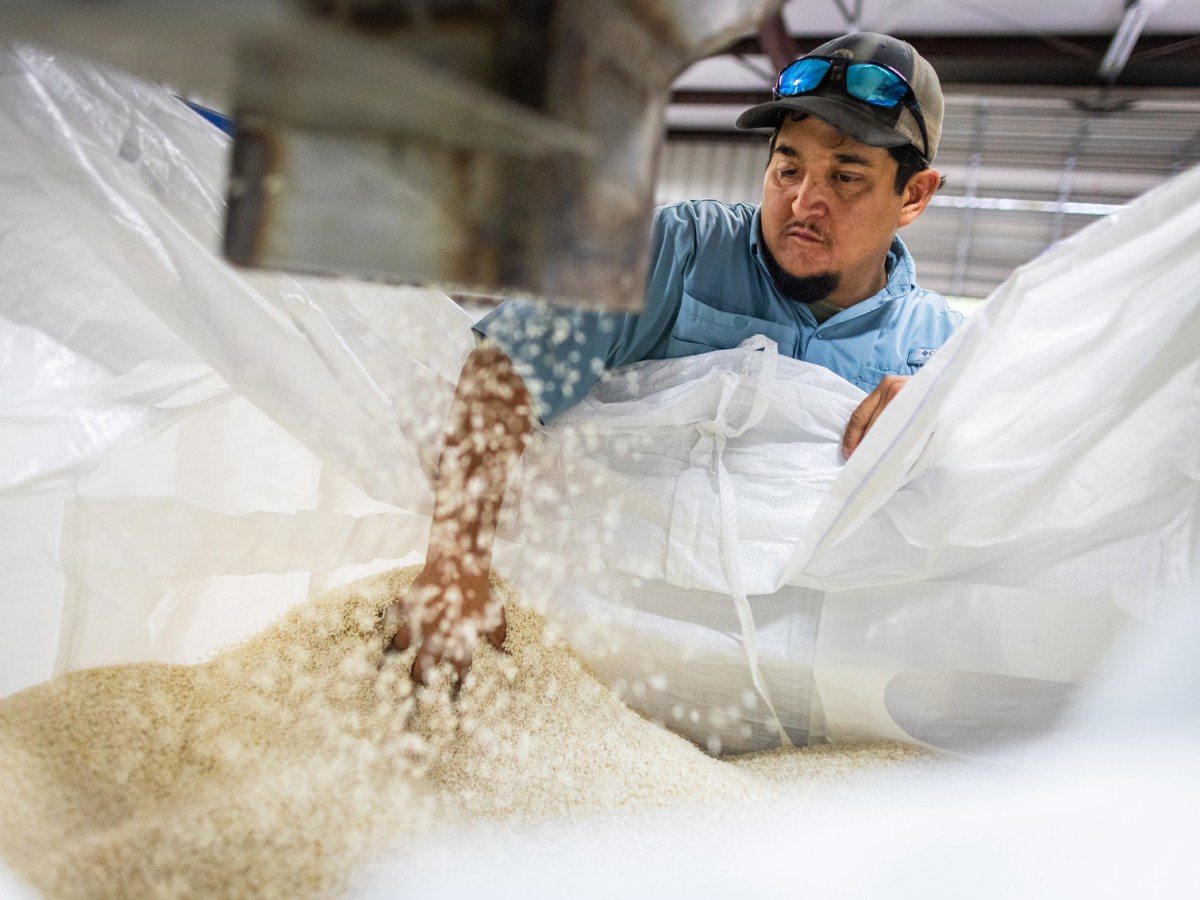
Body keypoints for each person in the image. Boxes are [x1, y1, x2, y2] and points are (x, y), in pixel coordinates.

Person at [391, 32, 962, 682]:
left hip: (803, 691)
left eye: (846, 176)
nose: (804, 201)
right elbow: (502, 374)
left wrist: (941, 422)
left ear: (913, 195)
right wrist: (455, 569)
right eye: (787, 168)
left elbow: (990, 502)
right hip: (597, 652)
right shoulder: (676, 253)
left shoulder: (942, 352)